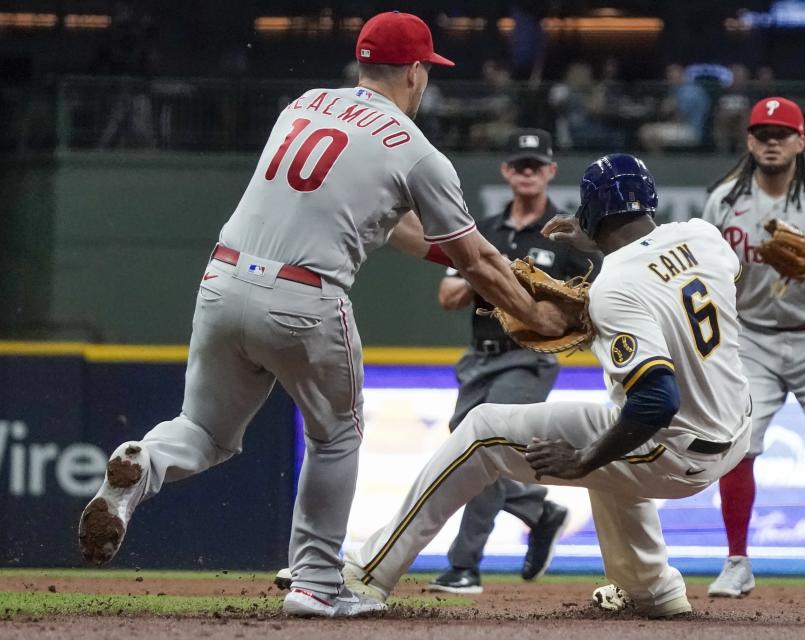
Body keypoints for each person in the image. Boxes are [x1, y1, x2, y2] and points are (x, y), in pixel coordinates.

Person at [76, 11, 571, 619]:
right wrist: (539, 319)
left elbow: (390, 224)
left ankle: (141, 462)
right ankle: (314, 582)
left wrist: (463, 255)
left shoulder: (305, 104)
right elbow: (480, 264)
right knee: (337, 434)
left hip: (223, 279)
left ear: (363, 63)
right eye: (426, 71)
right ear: (415, 72)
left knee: (203, 431)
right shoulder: (418, 153)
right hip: (303, 297)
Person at [341, 153, 752, 618]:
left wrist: (583, 460)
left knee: (484, 431)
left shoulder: (613, 286)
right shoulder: (703, 236)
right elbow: (685, 281)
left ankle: (365, 574)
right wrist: (603, 247)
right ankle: (652, 588)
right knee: (615, 434)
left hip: (677, 448)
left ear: (591, 213)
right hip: (736, 428)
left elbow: (656, 400)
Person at [700, 97, 805, 597]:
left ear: (801, 141)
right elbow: (707, 275)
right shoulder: (725, 200)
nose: (771, 142)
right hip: (752, 337)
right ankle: (736, 561)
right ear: (749, 142)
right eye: (762, 133)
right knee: (738, 449)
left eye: (782, 133)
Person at [428, 128, 596, 594]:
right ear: (506, 171)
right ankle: (538, 511)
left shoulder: (563, 239)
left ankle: (464, 565)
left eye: (535, 166)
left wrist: (536, 294)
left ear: (550, 172)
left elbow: (580, 307)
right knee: (467, 451)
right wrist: (486, 272)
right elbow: (447, 297)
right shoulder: (480, 232)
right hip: (478, 358)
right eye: (519, 166)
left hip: (528, 360)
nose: (527, 173)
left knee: (487, 446)